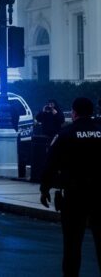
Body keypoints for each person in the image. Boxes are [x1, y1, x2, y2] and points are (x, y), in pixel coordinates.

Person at [40, 97, 101, 276]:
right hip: (99, 194)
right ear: (92, 112)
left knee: (72, 244)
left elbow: (50, 164)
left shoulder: (65, 134)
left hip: (74, 194)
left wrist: (45, 189)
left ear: (73, 112)